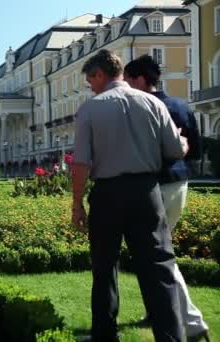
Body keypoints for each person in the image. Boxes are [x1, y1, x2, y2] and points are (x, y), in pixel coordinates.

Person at [71, 49, 189, 342]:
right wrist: (183, 142)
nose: (90, 86)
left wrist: (77, 204)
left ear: (100, 74)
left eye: (90, 80)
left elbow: (81, 163)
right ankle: (171, 337)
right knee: (159, 268)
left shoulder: (90, 110)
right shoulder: (152, 103)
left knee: (105, 267)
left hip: (107, 194)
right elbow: (175, 151)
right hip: (146, 192)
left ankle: (105, 336)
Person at [124, 55, 209, 342]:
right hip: (180, 181)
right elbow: (194, 148)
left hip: (154, 186)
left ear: (138, 79)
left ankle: (193, 322)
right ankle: (159, 310)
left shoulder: (142, 107)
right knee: (160, 252)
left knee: (159, 257)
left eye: (127, 80)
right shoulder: (181, 105)